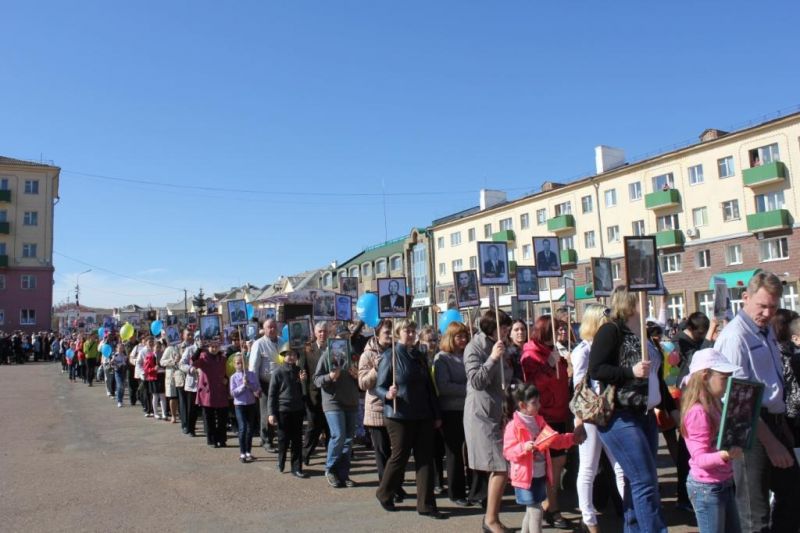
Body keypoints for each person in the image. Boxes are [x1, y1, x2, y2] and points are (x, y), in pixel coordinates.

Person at [714, 272, 800, 532]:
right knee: (754, 513)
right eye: (762, 305)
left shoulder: (765, 331)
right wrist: (772, 442)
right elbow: (739, 398)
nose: (767, 312)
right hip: (748, 426)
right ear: (745, 298)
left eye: (772, 307)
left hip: (773, 421)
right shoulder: (735, 336)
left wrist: (781, 428)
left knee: (793, 495)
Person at [589, 285, 676, 533]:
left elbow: (655, 378)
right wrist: (630, 372)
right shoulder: (611, 331)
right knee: (645, 481)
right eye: (642, 297)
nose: (646, 300)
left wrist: (671, 408)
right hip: (619, 415)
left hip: (645, 416)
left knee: (634, 481)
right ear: (629, 302)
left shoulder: (642, 332)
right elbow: (597, 369)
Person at [375, 319, 445, 519]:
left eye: (414, 330)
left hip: (423, 414)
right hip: (399, 415)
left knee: (426, 459)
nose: (411, 334)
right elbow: (379, 386)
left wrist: (436, 414)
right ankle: (384, 492)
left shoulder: (420, 356)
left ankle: (426, 504)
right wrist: (388, 394)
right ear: (398, 333)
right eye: (407, 330)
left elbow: (429, 387)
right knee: (400, 457)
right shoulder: (390, 356)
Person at [570, 304, 624, 533]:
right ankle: (589, 520)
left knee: (620, 466)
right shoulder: (582, 351)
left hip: (611, 412)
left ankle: (630, 512)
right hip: (591, 415)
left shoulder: (611, 347)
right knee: (588, 468)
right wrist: (578, 421)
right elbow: (579, 389)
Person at [504, 381, 580, 533]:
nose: (539, 405)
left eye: (538, 401)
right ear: (522, 405)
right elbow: (508, 451)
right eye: (534, 402)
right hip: (525, 478)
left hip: (539, 474)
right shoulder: (513, 426)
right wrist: (523, 448)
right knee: (536, 510)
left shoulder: (539, 421)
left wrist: (572, 439)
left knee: (531, 510)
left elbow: (554, 439)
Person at [680, 349, 743, 533]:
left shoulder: (715, 402)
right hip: (706, 488)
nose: (728, 382)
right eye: (724, 377)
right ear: (705, 376)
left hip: (721, 482)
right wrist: (725, 454)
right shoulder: (698, 412)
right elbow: (699, 458)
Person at [520, 316, 573, 529]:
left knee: (557, 465)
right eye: (556, 329)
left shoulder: (554, 350)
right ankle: (551, 507)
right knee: (550, 466)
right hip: (546, 416)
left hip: (560, 413)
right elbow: (533, 386)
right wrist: (548, 367)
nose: (560, 332)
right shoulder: (531, 353)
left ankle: (548, 505)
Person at [464, 309, 514, 533]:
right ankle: (490, 519)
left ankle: (492, 517)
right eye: (503, 327)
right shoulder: (474, 347)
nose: (507, 331)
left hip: (499, 413)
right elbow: (477, 381)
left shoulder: (502, 345)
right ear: (492, 327)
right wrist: (493, 358)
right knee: (500, 467)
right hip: (482, 415)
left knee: (501, 466)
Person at [358, 319, 405, 499]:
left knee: (397, 453)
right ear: (377, 334)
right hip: (377, 410)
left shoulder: (397, 351)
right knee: (383, 453)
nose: (390, 335)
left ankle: (396, 486)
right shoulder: (368, 355)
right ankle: (386, 489)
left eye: (393, 331)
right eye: (387, 332)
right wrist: (377, 369)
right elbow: (362, 383)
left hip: (396, 408)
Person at [313, 325, 360, 488]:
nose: (344, 339)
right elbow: (317, 379)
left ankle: (343, 474)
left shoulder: (353, 355)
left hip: (351, 401)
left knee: (348, 440)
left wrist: (357, 376)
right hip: (333, 402)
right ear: (335, 338)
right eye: (341, 337)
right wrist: (330, 376)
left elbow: (362, 380)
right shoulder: (327, 354)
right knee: (338, 436)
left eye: (347, 336)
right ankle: (330, 469)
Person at [433, 321, 471, 506]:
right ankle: (456, 492)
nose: (463, 339)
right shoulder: (442, 358)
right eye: (459, 336)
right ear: (451, 338)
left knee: (471, 450)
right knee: (454, 452)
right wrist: (469, 388)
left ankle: (474, 488)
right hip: (451, 411)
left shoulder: (468, 355)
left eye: (465, 336)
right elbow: (444, 386)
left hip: (470, 409)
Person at [268, 344, 307, 477]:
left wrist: (303, 382)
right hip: (283, 410)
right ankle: (281, 461)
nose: (291, 357)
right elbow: (272, 394)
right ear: (284, 356)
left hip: (297, 409)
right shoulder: (278, 372)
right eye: (288, 354)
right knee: (283, 439)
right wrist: (271, 413)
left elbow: (304, 392)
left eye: (294, 355)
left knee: (297, 440)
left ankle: (296, 467)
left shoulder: (300, 371)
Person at [300, 321, 331, 466]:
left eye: (325, 331)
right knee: (313, 428)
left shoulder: (334, 349)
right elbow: (302, 373)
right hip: (314, 396)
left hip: (331, 395)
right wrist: (304, 395)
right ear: (315, 333)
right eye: (320, 331)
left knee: (330, 429)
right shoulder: (307, 350)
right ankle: (305, 455)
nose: (322, 334)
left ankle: (332, 459)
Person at [249, 319, 280, 452]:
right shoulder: (259, 344)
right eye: (269, 327)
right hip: (265, 383)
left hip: (280, 384)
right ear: (264, 329)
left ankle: (275, 437)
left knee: (277, 412)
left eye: (274, 327)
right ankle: (266, 439)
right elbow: (253, 367)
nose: (272, 329)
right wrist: (255, 387)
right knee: (266, 413)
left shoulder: (283, 341)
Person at [192, 337, 229, 448]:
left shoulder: (223, 358)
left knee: (222, 418)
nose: (214, 349)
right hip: (208, 392)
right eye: (212, 346)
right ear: (208, 347)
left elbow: (228, 370)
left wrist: (226, 378)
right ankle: (212, 439)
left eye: (216, 346)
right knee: (209, 418)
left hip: (220, 390)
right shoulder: (204, 357)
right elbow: (193, 361)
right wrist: (199, 349)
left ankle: (222, 439)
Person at [230, 354, 261, 464]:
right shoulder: (233, 377)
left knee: (249, 429)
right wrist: (243, 385)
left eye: (242, 362)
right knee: (242, 428)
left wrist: (249, 384)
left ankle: (248, 451)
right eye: (238, 363)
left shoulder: (251, 374)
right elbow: (233, 393)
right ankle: (242, 453)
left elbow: (257, 388)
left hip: (251, 404)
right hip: (239, 405)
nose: (240, 365)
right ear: (234, 365)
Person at [178, 332, 201, 437]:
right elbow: (181, 364)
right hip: (193, 383)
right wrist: (191, 369)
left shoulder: (207, 349)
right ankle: (190, 428)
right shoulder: (190, 349)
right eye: (200, 338)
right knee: (192, 408)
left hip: (205, 384)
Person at [160, 338, 184, 424]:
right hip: (172, 375)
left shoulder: (182, 347)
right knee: (173, 396)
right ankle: (173, 416)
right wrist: (173, 361)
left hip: (182, 374)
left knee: (182, 397)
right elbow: (162, 362)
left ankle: (183, 416)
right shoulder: (169, 349)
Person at [143, 339, 168, 420]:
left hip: (161, 376)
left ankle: (164, 413)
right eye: (156, 347)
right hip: (154, 377)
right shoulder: (149, 356)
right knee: (155, 396)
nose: (158, 349)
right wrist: (153, 369)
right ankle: (156, 413)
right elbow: (146, 369)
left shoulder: (163, 355)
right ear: (153, 348)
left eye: (159, 347)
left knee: (162, 395)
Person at [110, 343, 128, 408]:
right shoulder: (115, 354)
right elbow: (111, 363)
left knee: (123, 387)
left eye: (122, 348)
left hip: (124, 372)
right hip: (117, 372)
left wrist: (125, 364)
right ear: (117, 348)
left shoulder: (124, 355)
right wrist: (113, 361)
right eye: (119, 348)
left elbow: (126, 362)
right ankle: (119, 401)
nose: (121, 349)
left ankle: (121, 399)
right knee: (119, 385)